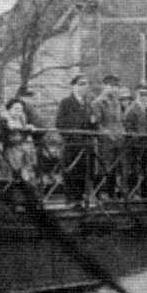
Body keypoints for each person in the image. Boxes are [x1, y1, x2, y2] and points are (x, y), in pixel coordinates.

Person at [55, 74, 95, 205]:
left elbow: (92, 124)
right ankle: (70, 199)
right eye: (81, 84)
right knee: (70, 171)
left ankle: (80, 199)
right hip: (71, 144)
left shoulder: (88, 104)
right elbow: (59, 123)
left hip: (85, 145)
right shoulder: (66, 102)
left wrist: (93, 126)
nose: (84, 87)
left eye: (86, 84)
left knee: (83, 172)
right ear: (74, 86)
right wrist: (70, 137)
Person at [91, 74, 126, 198]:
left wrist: (121, 133)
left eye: (116, 86)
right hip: (104, 141)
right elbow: (97, 123)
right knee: (103, 167)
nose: (114, 89)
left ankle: (112, 194)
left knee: (115, 168)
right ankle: (97, 194)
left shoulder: (116, 103)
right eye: (111, 86)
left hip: (118, 139)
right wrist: (106, 133)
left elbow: (120, 121)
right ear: (104, 86)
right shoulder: (97, 103)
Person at [2, 97, 38, 183]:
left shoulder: (22, 117)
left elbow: (25, 130)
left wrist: (30, 127)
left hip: (25, 148)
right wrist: (25, 128)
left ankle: (27, 185)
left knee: (28, 170)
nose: (18, 112)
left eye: (20, 109)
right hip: (12, 149)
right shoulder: (5, 116)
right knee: (16, 172)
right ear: (9, 109)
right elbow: (11, 127)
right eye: (16, 109)